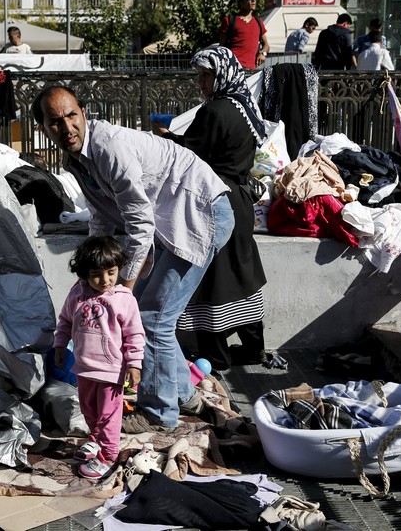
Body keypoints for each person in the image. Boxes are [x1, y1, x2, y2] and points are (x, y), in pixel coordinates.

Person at [32, 85, 234, 434]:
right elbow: (101, 219)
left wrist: (120, 290)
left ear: (84, 113)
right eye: (55, 122)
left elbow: (139, 223)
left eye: (71, 116)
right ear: (44, 128)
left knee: (151, 318)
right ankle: (183, 394)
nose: (66, 128)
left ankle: (159, 415)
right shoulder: (76, 160)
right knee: (146, 314)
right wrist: (88, 278)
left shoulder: (110, 148)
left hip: (202, 213)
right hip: (168, 223)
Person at [153, 46, 268, 371]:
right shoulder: (244, 106)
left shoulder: (214, 111)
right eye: (200, 76)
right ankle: (254, 348)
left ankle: (216, 355)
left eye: (206, 76)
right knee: (241, 272)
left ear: (221, 75)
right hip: (240, 201)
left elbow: (191, 155)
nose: (201, 83)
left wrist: (165, 138)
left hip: (214, 202)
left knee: (210, 278)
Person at [53, 236, 145, 479]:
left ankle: (108, 455)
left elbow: (135, 334)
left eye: (111, 272)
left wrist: (134, 364)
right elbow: (64, 321)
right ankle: (95, 439)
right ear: (84, 274)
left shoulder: (124, 299)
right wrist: (60, 346)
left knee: (108, 415)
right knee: (89, 410)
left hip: (111, 370)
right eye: (96, 274)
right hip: (83, 368)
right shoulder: (77, 294)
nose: (105, 280)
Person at [219, 0, 270, 69]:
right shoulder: (229, 21)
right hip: (232, 70)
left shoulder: (259, 22)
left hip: (251, 72)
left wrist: (263, 53)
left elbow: (266, 45)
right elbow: (221, 48)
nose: (253, 0)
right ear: (241, 1)